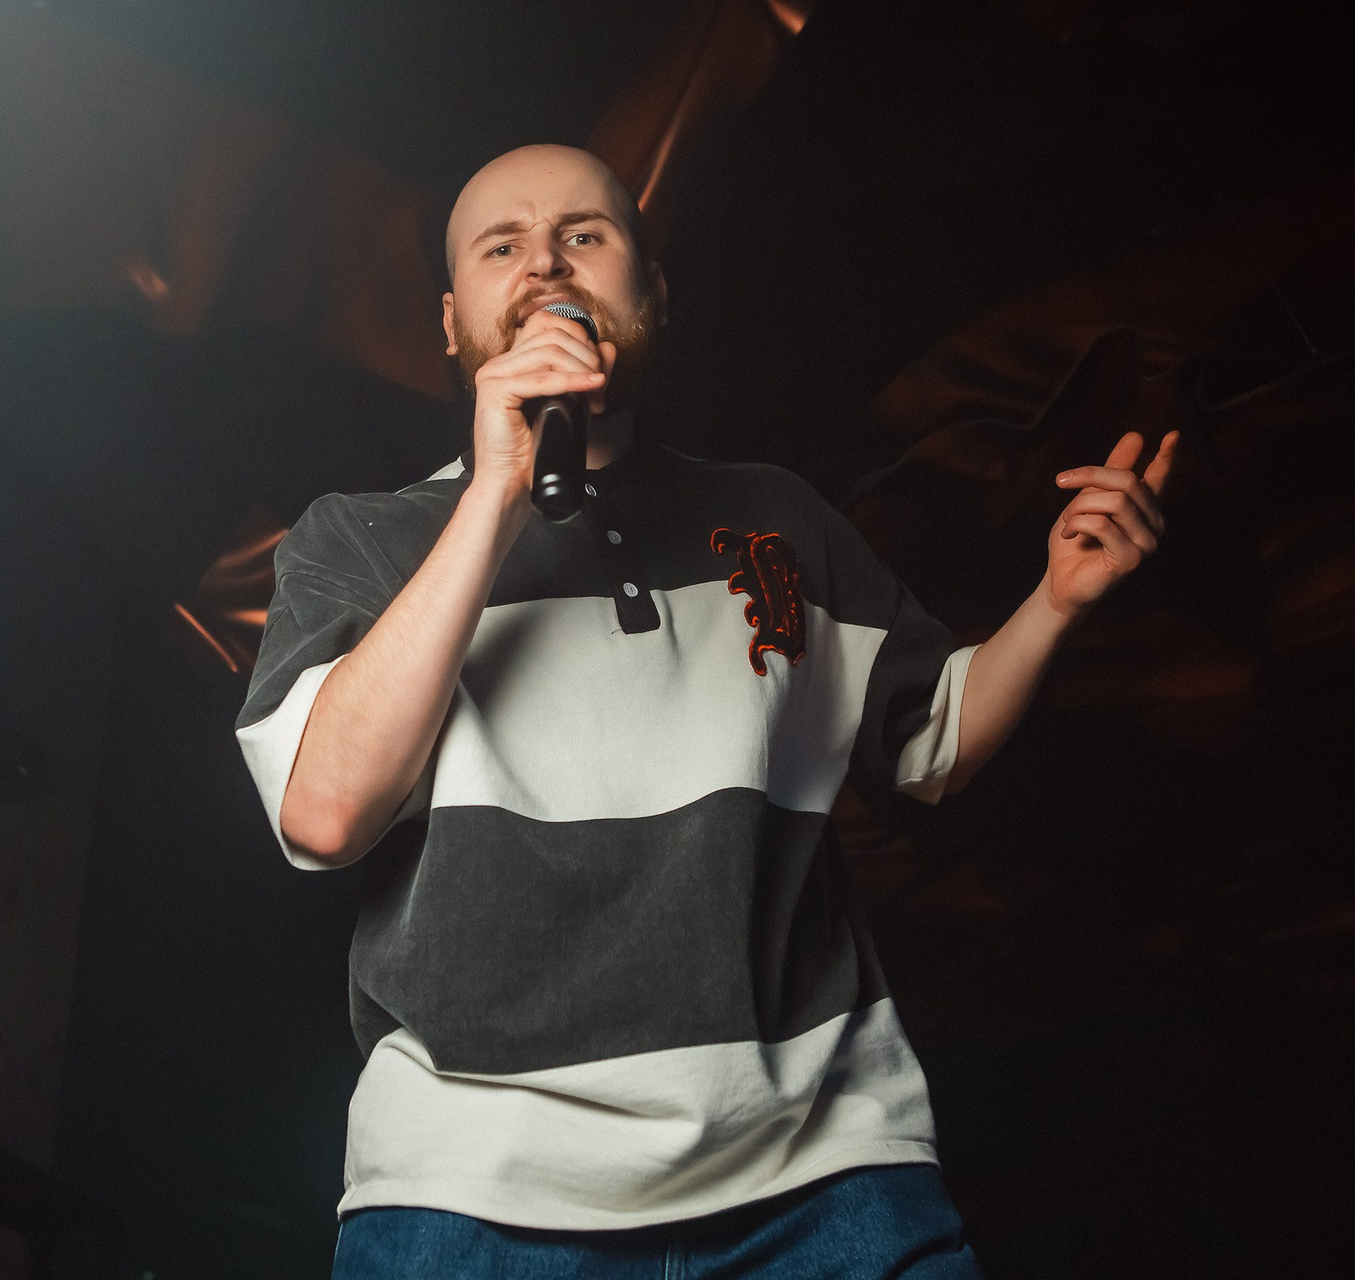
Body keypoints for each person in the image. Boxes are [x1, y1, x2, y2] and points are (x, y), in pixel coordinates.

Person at [237, 144, 1175, 1278]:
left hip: (823, 1177)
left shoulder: (778, 517)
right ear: (451, 323)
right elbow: (324, 814)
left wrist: (1057, 603)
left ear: (655, 291)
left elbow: (934, 741)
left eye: (585, 235)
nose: (546, 265)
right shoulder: (357, 537)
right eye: (502, 246)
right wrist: (496, 494)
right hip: (474, 1198)